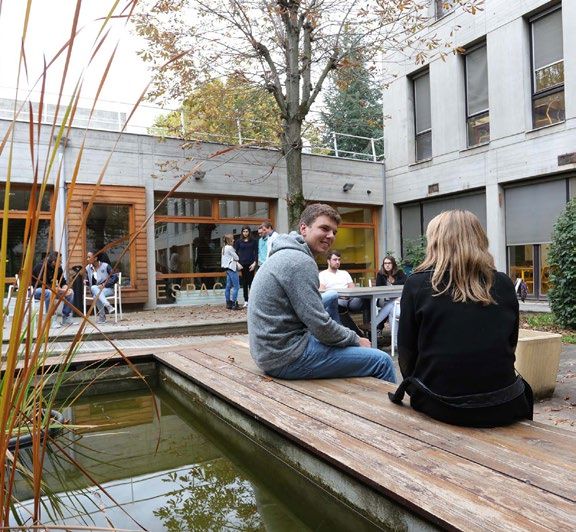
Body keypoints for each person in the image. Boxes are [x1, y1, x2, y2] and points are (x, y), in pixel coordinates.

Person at [389, 210, 533, 427]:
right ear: (479, 239)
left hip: (440, 404)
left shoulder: (417, 284)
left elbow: (407, 354)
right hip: (504, 404)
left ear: (436, 242)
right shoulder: (503, 283)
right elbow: (510, 344)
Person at [248, 203, 396, 382]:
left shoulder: (287, 253)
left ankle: (338, 343)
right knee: (383, 361)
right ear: (304, 228)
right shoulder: (300, 262)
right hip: (285, 357)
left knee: (331, 296)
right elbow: (319, 325)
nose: (331, 235)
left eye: (334, 232)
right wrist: (355, 339)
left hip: (268, 350)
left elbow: (317, 320)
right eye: (324, 228)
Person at [318, 250, 367, 336]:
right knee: (339, 307)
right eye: (335, 259)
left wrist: (347, 295)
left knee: (367, 299)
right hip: (335, 301)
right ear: (328, 261)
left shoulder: (344, 273)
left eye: (339, 259)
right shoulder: (322, 274)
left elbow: (352, 288)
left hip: (350, 299)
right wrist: (339, 295)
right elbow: (322, 292)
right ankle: (356, 334)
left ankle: (370, 326)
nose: (337, 262)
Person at [32, 251, 74, 327]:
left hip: (52, 290)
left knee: (70, 293)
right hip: (35, 290)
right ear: (54, 262)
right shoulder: (41, 266)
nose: (61, 263)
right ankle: (51, 320)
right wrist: (60, 290)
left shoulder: (59, 268)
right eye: (60, 261)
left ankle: (66, 318)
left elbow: (63, 282)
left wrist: (65, 288)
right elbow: (43, 284)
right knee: (49, 293)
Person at [374, 256, 407, 331]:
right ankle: (378, 326)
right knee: (391, 304)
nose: (387, 265)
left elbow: (406, 282)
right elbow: (378, 287)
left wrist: (393, 283)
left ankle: (375, 325)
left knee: (392, 305)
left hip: (398, 299)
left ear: (393, 264)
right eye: (385, 263)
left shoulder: (399, 272)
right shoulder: (380, 274)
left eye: (389, 263)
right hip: (383, 298)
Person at [85, 250, 119, 324]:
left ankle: (102, 317)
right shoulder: (88, 268)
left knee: (95, 293)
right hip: (96, 290)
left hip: (108, 289)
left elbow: (115, 277)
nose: (87, 259)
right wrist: (86, 281)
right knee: (94, 290)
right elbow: (89, 280)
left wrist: (104, 285)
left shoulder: (105, 266)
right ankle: (108, 305)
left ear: (95, 258)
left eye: (89, 257)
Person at [234, 226, 258, 308]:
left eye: (247, 231)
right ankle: (246, 301)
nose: (245, 233)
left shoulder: (254, 241)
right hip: (242, 265)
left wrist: (255, 263)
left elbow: (256, 252)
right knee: (244, 283)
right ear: (242, 232)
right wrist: (237, 263)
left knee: (251, 283)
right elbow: (235, 253)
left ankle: (252, 300)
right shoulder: (238, 241)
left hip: (251, 264)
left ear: (249, 232)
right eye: (244, 231)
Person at [221, 234, 242, 310]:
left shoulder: (224, 248)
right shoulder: (230, 248)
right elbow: (237, 257)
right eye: (232, 239)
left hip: (227, 269)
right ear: (229, 240)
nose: (234, 240)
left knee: (228, 286)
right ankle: (234, 304)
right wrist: (234, 258)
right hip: (232, 268)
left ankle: (228, 303)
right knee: (236, 286)